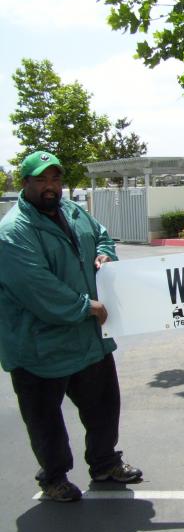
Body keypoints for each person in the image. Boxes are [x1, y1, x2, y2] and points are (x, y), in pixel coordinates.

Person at [0, 150, 142, 502]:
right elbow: (36, 286)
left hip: (88, 339)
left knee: (104, 409)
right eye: (41, 180)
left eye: (55, 178)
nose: (50, 186)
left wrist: (106, 253)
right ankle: (54, 477)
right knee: (45, 421)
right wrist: (84, 306)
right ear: (25, 183)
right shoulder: (13, 231)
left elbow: (101, 235)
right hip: (38, 347)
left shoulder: (73, 212)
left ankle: (105, 464)